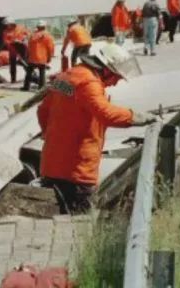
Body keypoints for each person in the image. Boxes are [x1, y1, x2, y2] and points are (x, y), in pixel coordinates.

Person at [37, 44, 156, 213]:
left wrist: (49, 134)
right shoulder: (89, 83)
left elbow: (43, 110)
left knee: (60, 217)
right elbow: (105, 113)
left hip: (53, 164)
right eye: (117, 77)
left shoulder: (67, 77)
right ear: (106, 69)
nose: (116, 82)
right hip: (77, 169)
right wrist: (136, 117)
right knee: (79, 222)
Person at [23, 20, 55, 91]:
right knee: (42, 74)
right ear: (45, 27)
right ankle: (41, 88)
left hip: (32, 58)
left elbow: (29, 47)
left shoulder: (32, 35)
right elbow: (50, 48)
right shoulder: (47, 36)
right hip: (42, 58)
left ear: (37, 27)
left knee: (29, 73)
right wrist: (50, 57)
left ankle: (26, 87)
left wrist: (27, 55)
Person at [2, 18, 29, 84]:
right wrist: (13, 42)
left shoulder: (20, 28)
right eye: (6, 25)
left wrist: (23, 40)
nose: (7, 26)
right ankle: (13, 80)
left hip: (22, 49)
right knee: (12, 66)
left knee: (25, 64)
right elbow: (6, 41)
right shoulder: (5, 32)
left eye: (8, 25)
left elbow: (28, 35)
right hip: (13, 51)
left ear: (12, 23)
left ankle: (30, 77)